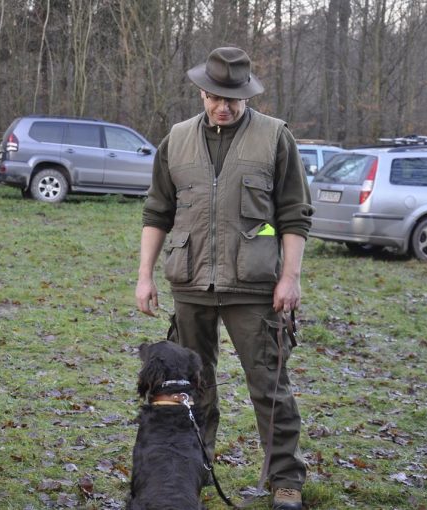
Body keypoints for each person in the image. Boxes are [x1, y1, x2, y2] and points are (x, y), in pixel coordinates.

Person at [134, 47, 312, 510]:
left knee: (269, 388)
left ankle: (285, 480)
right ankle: (193, 469)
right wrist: (144, 277)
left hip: (255, 286)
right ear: (202, 91)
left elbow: (294, 215)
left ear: (248, 95)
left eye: (233, 97)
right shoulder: (175, 139)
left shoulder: (275, 138)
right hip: (190, 283)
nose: (224, 105)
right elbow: (157, 212)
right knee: (191, 390)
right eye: (215, 96)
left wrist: (290, 278)